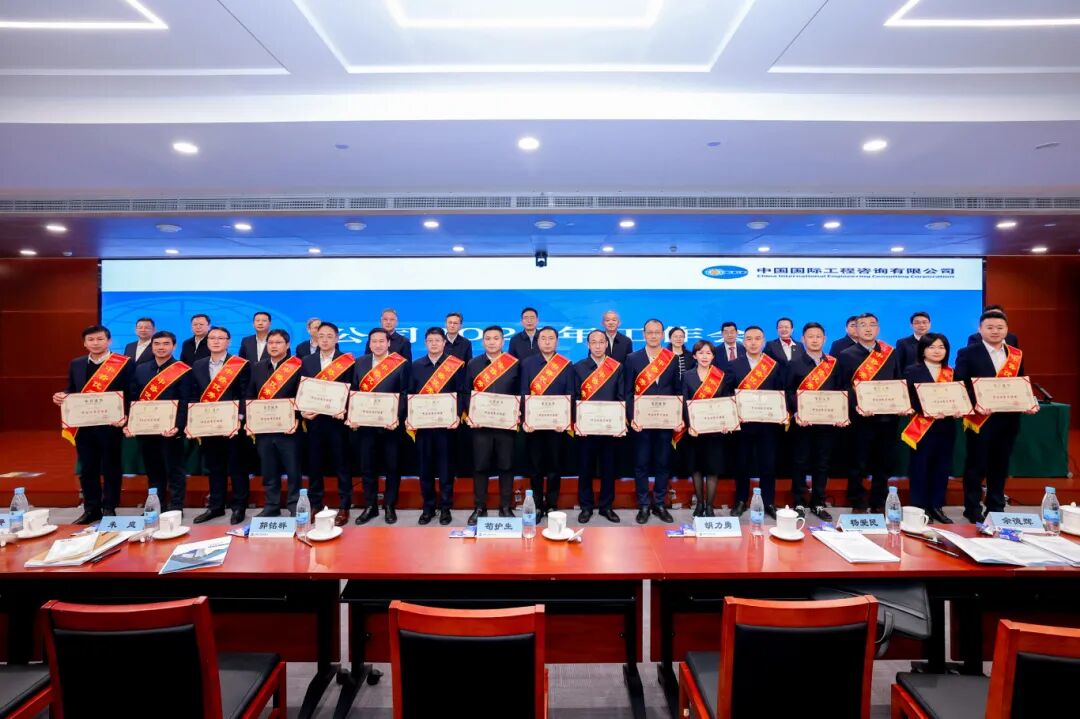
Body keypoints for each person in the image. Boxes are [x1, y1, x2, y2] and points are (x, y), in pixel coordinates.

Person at [955, 310, 1037, 523]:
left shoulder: (1015, 354)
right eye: (990, 327)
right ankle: (972, 508)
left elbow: (1019, 383)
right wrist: (977, 402)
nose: (995, 331)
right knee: (976, 465)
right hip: (981, 419)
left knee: (1000, 465)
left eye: (1000, 327)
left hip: (1008, 419)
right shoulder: (968, 353)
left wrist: (1027, 401)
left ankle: (996, 506)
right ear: (980, 329)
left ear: (1006, 330)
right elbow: (960, 384)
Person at [53, 325, 133, 524]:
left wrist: (126, 416)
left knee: (111, 467)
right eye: (91, 340)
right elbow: (72, 389)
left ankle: (109, 507)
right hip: (84, 424)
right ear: (84, 343)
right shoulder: (77, 363)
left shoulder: (124, 363)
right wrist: (62, 396)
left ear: (109, 341)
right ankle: (91, 509)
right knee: (88, 468)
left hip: (111, 424)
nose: (95, 343)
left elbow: (132, 393)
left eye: (100, 339)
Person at [839, 312, 908, 512]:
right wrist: (858, 405)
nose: (868, 328)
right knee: (858, 462)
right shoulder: (846, 355)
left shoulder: (890, 352)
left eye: (872, 324)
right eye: (863, 325)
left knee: (883, 462)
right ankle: (857, 500)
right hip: (860, 418)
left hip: (888, 418)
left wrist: (902, 403)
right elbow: (843, 387)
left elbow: (898, 381)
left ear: (878, 328)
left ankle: (879, 501)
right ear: (856, 329)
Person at [188, 326, 251, 525]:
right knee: (214, 467)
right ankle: (216, 506)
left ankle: (239, 506)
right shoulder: (198, 365)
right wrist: (194, 419)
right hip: (208, 424)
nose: (216, 341)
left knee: (237, 467)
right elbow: (193, 394)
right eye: (212, 338)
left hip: (233, 425)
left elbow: (245, 393)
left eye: (220, 338)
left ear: (228, 342)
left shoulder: (239, 364)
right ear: (207, 342)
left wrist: (239, 417)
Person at [125, 330, 192, 512]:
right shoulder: (141, 369)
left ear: (174, 346)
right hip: (146, 429)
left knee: (175, 469)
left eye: (166, 344)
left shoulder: (183, 370)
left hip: (170, 430)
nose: (161, 347)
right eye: (157, 344)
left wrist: (178, 426)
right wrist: (131, 423)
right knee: (153, 470)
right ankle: (156, 505)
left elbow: (185, 400)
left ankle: (176, 506)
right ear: (151, 346)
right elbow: (133, 398)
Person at [348, 328, 409, 525]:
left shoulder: (400, 363)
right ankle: (370, 506)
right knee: (368, 467)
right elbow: (354, 391)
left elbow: (405, 393)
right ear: (369, 343)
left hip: (391, 426)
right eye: (374, 341)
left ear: (388, 343)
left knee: (392, 467)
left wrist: (396, 416)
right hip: (366, 426)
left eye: (382, 341)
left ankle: (390, 505)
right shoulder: (360, 362)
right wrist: (353, 414)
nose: (378, 344)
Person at [786, 322, 846, 520]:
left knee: (822, 463)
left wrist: (840, 413)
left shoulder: (833, 364)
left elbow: (841, 390)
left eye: (818, 336)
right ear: (803, 339)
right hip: (803, 423)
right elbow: (788, 392)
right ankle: (799, 502)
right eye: (810, 336)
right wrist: (797, 412)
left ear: (824, 339)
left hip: (827, 423)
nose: (814, 340)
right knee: (800, 462)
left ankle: (818, 502)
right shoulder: (794, 364)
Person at [626, 318, 682, 524]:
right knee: (641, 464)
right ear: (643, 335)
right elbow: (628, 391)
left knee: (663, 463)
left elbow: (678, 390)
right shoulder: (632, 358)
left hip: (665, 421)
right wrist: (632, 417)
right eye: (649, 332)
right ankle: (643, 504)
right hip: (641, 422)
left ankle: (659, 503)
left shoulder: (671, 358)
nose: (653, 336)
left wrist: (678, 416)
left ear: (663, 335)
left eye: (657, 332)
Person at [901, 333, 961, 524]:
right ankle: (919, 507)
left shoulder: (952, 372)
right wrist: (926, 409)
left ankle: (936, 506)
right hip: (922, 427)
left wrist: (959, 409)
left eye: (941, 347)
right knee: (920, 466)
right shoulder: (911, 371)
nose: (937, 351)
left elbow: (961, 396)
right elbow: (907, 398)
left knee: (942, 467)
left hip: (946, 426)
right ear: (923, 350)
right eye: (932, 347)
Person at [301, 321, 356, 526]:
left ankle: (344, 505)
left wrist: (345, 409)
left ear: (337, 338)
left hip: (337, 422)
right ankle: (316, 504)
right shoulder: (307, 361)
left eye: (329, 336)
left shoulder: (347, 361)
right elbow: (302, 389)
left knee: (342, 464)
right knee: (315, 465)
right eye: (321, 336)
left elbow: (353, 389)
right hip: (314, 421)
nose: (324, 340)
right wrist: (303, 410)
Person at [465, 326, 520, 525]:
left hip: (506, 425)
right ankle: (480, 507)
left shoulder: (513, 364)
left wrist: (517, 412)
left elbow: (520, 393)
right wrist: (470, 413)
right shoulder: (473, 364)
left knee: (506, 466)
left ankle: (505, 507)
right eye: (487, 338)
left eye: (496, 338)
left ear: (502, 341)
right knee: (480, 467)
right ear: (482, 342)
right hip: (481, 426)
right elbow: (465, 392)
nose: (491, 342)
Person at [408, 327, 464, 525]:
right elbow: (410, 393)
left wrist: (457, 414)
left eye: (437, 340)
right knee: (425, 470)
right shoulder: (416, 366)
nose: (434, 344)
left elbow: (462, 393)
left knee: (446, 470)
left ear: (443, 343)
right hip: (423, 427)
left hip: (446, 428)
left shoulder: (454, 365)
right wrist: (410, 415)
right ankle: (428, 508)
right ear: (425, 343)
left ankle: (446, 508)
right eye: (430, 340)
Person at [729, 326, 785, 517]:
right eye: (749, 339)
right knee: (742, 464)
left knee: (768, 465)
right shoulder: (734, 365)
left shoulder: (774, 365)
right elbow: (727, 393)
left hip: (768, 424)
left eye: (757, 338)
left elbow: (781, 392)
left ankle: (769, 502)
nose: (753, 342)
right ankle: (740, 501)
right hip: (743, 424)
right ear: (743, 342)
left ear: (763, 341)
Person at [247, 328, 303, 517]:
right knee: (268, 469)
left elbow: (302, 395)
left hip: (289, 429)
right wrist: (250, 419)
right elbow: (250, 394)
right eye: (270, 343)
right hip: (264, 428)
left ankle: (294, 505)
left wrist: (296, 418)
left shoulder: (297, 366)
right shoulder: (257, 367)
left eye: (278, 342)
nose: (273, 346)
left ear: (287, 345)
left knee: (293, 469)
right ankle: (271, 505)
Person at [520, 326, 573, 518]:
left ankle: (551, 504)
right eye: (543, 338)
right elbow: (524, 392)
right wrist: (526, 419)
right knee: (535, 468)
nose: (547, 342)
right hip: (534, 426)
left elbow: (571, 394)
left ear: (557, 341)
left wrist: (565, 420)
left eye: (551, 338)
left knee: (554, 467)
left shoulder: (566, 364)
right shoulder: (527, 363)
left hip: (556, 427)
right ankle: (536, 505)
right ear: (538, 341)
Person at [678, 341, 734, 517]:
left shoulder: (720, 376)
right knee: (696, 468)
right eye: (701, 353)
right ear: (694, 356)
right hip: (694, 431)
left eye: (708, 353)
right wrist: (690, 425)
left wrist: (726, 422)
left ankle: (709, 506)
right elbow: (684, 402)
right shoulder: (687, 376)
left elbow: (726, 401)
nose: (704, 356)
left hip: (714, 430)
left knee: (712, 468)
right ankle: (700, 504)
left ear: (713, 356)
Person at [575, 330, 625, 523]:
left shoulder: (616, 367)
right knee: (585, 468)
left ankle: (606, 506)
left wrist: (619, 422)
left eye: (601, 342)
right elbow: (574, 396)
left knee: (608, 468)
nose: (597, 346)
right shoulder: (578, 367)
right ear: (588, 345)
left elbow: (621, 396)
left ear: (606, 344)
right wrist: (577, 421)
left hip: (609, 428)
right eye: (593, 342)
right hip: (586, 428)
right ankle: (586, 507)